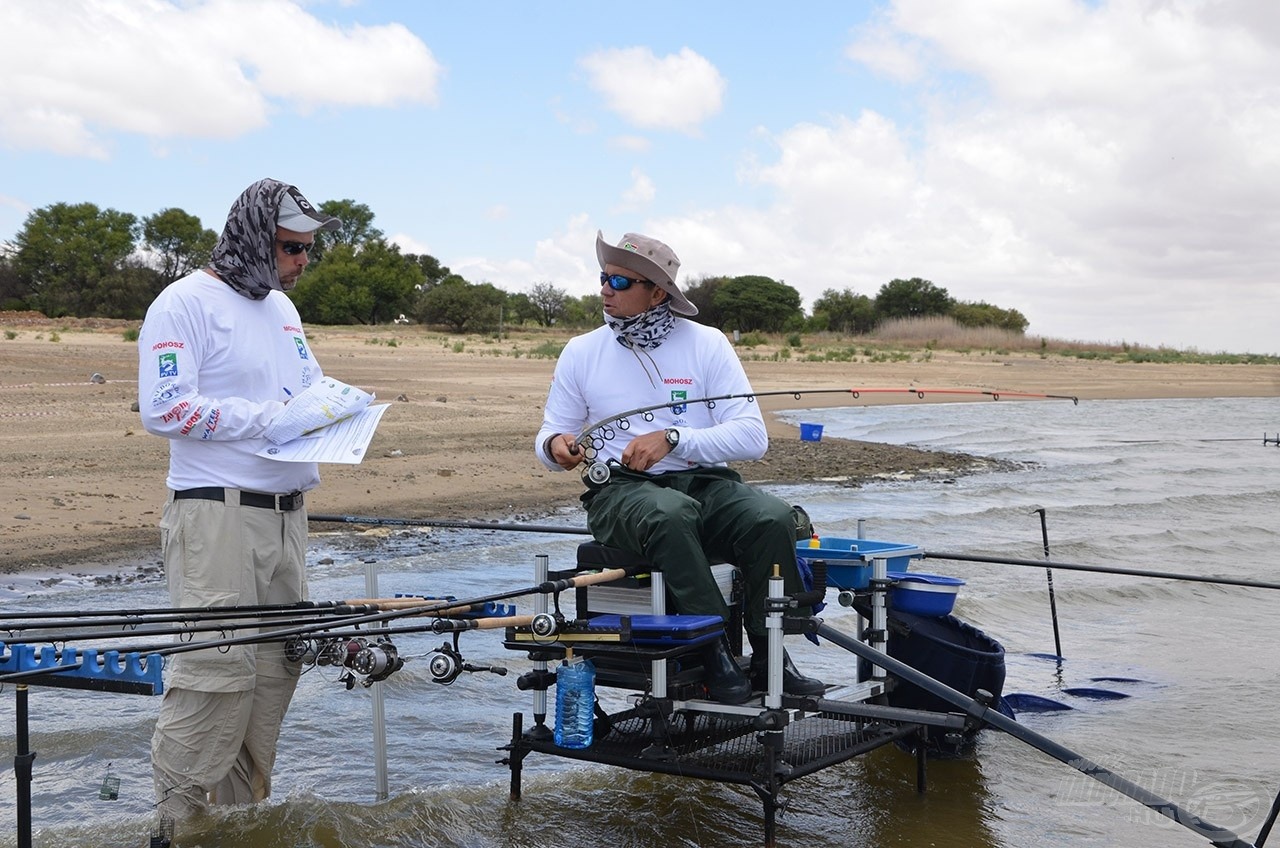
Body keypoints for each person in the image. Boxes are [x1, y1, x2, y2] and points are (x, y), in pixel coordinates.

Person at [535, 230, 824, 703]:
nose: (605, 288)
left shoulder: (708, 344)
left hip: (706, 482)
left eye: (619, 281)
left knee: (771, 516)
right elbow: (548, 438)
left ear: (658, 292)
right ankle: (714, 652)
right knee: (669, 513)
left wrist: (674, 438)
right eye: (603, 278)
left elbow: (753, 437)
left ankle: (772, 655)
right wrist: (557, 446)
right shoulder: (580, 351)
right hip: (620, 493)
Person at [137, 178, 340, 822]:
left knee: (275, 673)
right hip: (216, 516)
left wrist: (338, 410)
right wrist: (268, 420)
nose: (302, 262)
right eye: (291, 247)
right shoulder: (183, 303)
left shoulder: (282, 308)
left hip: (287, 519)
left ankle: (239, 825)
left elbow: (304, 391)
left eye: (310, 249)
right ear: (255, 236)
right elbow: (165, 408)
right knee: (212, 678)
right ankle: (177, 826)